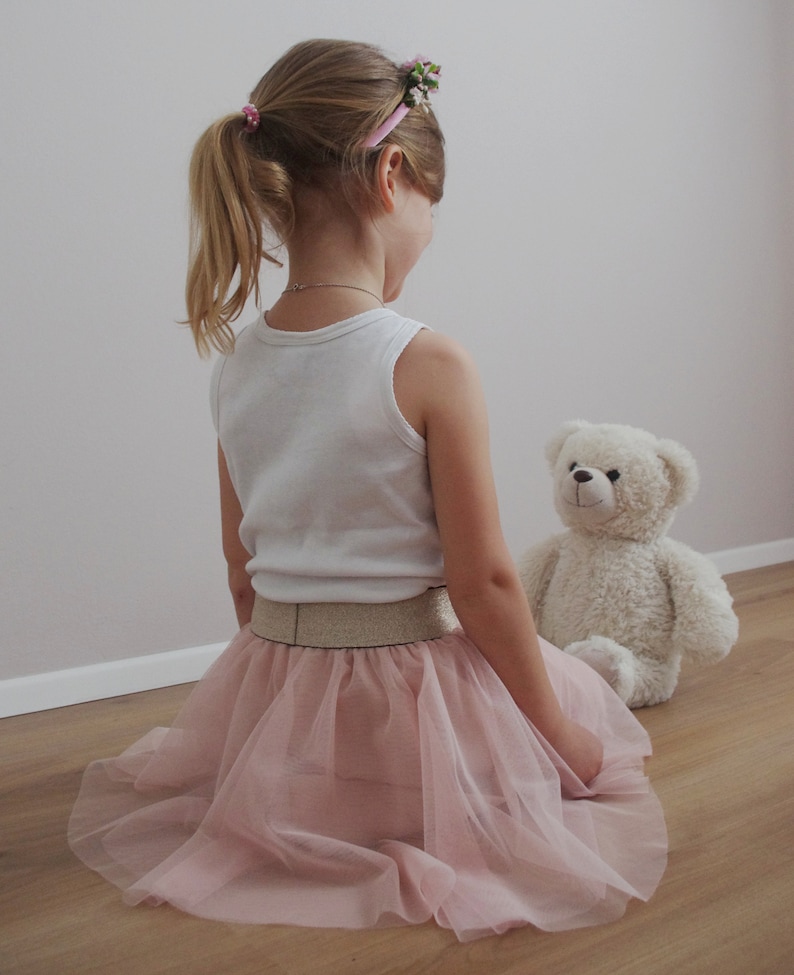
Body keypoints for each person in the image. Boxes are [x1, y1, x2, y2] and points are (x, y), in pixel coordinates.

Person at [68, 39, 667, 941]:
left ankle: (319, 788)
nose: (430, 233)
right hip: (411, 690)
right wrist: (556, 734)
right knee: (565, 723)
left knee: (328, 787)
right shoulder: (427, 360)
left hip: (281, 679)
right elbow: (486, 586)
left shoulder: (235, 366)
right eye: (434, 209)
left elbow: (244, 575)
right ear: (393, 175)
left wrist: (279, 731)